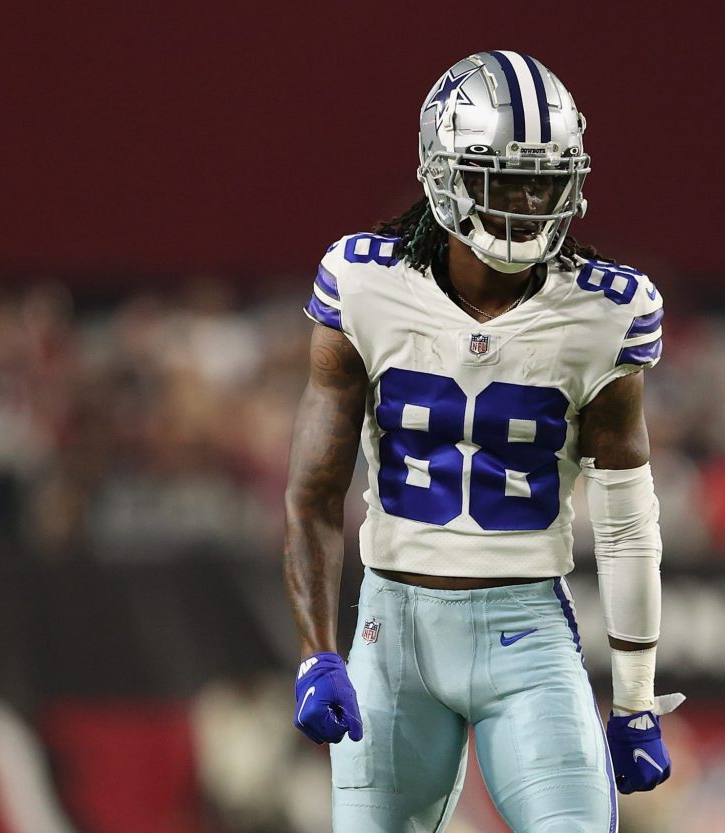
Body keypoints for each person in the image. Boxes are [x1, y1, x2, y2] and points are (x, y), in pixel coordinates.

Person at [283, 50, 682, 833]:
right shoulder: (366, 285)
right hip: (391, 631)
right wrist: (315, 652)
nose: (531, 201)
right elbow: (314, 491)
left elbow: (630, 519)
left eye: (546, 178)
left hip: (528, 634)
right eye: (506, 177)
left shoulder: (603, 310)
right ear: (446, 173)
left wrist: (636, 698)